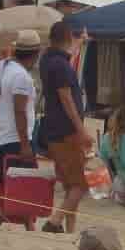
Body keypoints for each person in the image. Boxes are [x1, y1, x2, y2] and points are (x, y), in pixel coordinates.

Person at [35, 21, 93, 235]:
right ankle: (54, 221)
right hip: (66, 131)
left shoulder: (48, 59)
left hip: (55, 130)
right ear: (67, 38)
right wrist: (81, 130)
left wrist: (79, 42)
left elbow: (68, 50)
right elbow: (66, 99)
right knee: (79, 186)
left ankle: (69, 229)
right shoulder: (60, 66)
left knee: (70, 184)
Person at [0, 31, 40, 227]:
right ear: (35, 54)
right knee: (22, 189)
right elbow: (20, 111)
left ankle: (29, 227)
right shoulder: (22, 77)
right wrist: (25, 144)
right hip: (17, 139)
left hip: (3, 136)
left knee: (14, 189)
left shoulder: (3, 66)